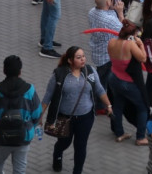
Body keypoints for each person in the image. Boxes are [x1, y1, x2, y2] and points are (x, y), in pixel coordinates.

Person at [41, 46, 112, 174]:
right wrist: (40, 117)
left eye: (83, 56)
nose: (83, 59)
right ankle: (57, 154)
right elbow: (48, 97)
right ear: (70, 60)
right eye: (78, 57)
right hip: (65, 117)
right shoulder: (59, 74)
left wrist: (109, 106)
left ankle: (77, 171)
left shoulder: (90, 71)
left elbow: (99, 89)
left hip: (86, 117)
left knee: (80, 146)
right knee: (64, 143)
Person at [0, 55, 42, 174]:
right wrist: (32, 126)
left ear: (4, 71)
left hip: (1, 137)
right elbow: (37, 114)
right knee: (20, 168)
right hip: (23, 137)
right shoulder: (29, 90)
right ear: (20, 71)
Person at [107, 20, 148, 145]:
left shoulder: (111, 42)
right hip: (128, 82)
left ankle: (119, 133)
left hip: (113, 78)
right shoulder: (130, 45)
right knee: (142, 108)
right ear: (132, 35)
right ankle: (141, 137)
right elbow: (143, 58)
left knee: (118, 106)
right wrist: (140, 45)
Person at [87, 0, 124, 93]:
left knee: (101, 79)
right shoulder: (109, 20)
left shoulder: (92, 12)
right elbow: (124, 31)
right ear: (108, 3)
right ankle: (101, 105)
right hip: (107, 56)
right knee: (104, 82)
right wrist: (120, 13)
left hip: (97, 52)